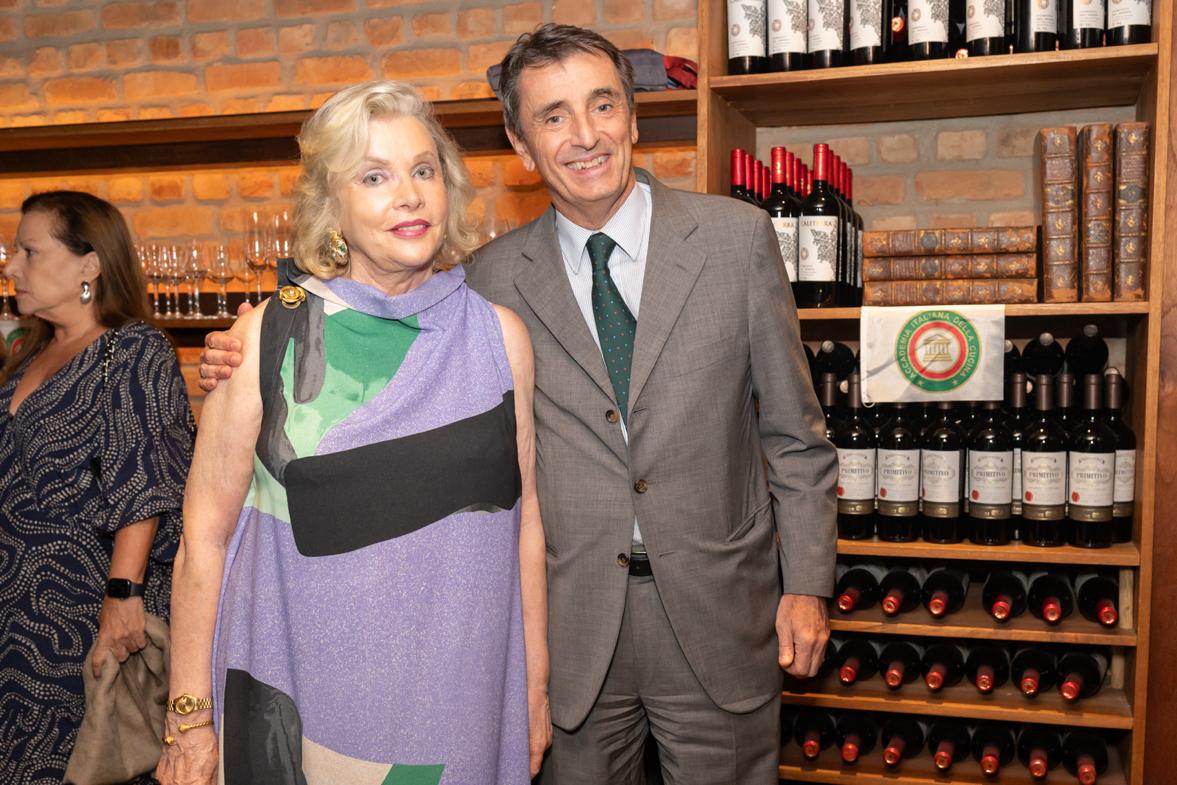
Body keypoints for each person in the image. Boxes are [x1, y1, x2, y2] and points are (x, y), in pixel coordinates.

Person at [200, 25, 835, 784]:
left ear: (633, 117)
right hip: (568, 635)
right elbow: (367, 303)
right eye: (553, 117)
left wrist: (806, 584)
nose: (585, 135)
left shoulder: (737, 240)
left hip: (722, 615)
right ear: (521, 145)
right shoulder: (485, 282)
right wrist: (245, 346)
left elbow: (795, 435)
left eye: (603, 105)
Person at [158, 80, 549, 785]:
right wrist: (188, 720)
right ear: (331, 206)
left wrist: (535, 688)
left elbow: (526, 528)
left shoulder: (500, 338)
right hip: (302, 708)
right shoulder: (267, 336)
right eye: (374, 176)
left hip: (462, 702)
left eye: (423, 170)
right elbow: (202, 542)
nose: (409, 195)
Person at [0, 191, 195, 785]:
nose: (12, 266)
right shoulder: (29, 353)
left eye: (29, 251)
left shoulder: (132, 349)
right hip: (15, 616)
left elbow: (146, 478)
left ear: (89, 264)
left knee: (85, 761)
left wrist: (123, 596)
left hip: (81, 615)